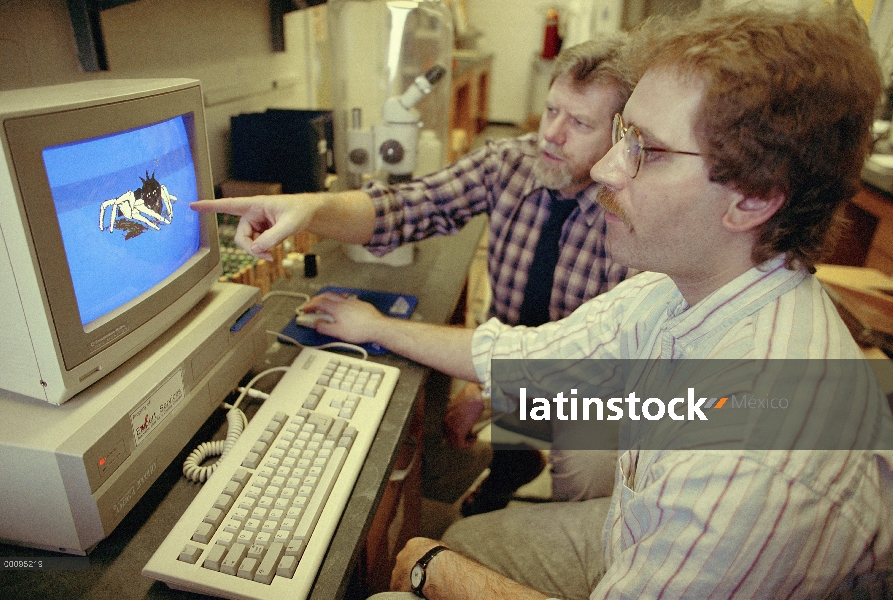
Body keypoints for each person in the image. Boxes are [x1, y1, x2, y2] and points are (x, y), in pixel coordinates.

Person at [300, 3, 893, 599]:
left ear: (754, 199)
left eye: (649, 150)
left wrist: (432, 570)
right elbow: (530, 354)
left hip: (661, 527)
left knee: (416, 573)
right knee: (470, 539)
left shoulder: (754, 458)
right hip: (632, 527)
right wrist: (376, 326)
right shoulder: (675, 288)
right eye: (622, 135)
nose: (608, 168)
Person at [193, 37, 636, 511]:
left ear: (620, 138)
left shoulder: (636, 215)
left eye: (581, 123)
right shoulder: (512, 162)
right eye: (551, 111)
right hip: (511, 355)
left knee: (591, 457)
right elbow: (407, 206)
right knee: (440, 407)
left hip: (600, 377)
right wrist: (308, 208)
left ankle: (569, 533)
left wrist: (499, 392)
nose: (552, 133)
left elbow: (607, 368)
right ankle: (512, 464)